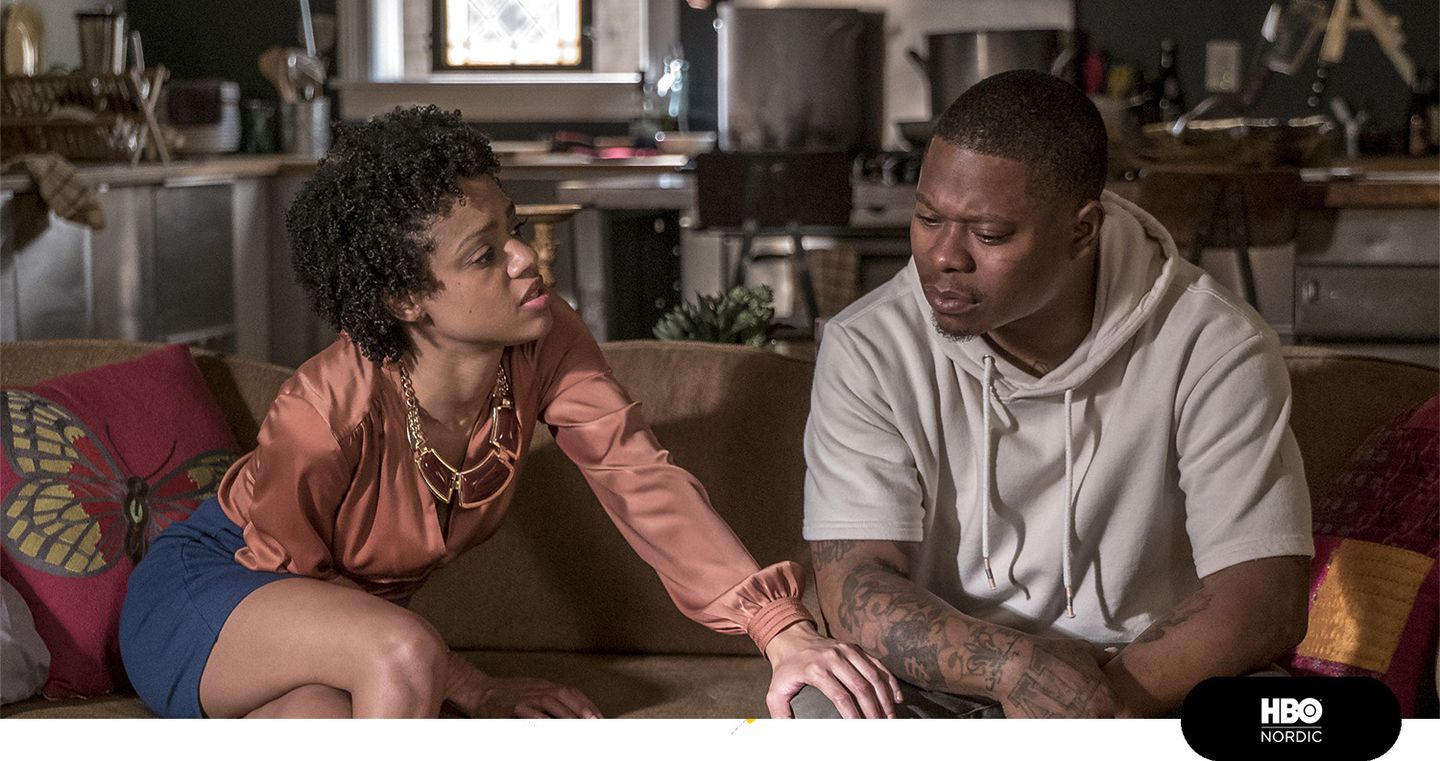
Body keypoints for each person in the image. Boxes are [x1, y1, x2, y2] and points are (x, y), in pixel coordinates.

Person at [118, 106, 901, 719]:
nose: (527, 258)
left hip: (346, 641)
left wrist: (781, 629)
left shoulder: (547, 338)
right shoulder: (324, 410)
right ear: (406, 297)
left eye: (515, 231)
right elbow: (306, 589)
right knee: (404, 655)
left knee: (325, 722)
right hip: (217, 593)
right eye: (485, 253)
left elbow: (642, 480)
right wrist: (469, 681)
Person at [793, 70, 1312, 719]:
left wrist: (1088, 716)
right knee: (818, 710)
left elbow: (1263, 595)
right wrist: (1015, 669)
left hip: (1146, 681)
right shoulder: (869, 344)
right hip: (950, 683)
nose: (944, 256)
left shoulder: (1215, 343)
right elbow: (854, 585)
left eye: (988, 234)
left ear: (1081, 229)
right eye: (927, 218)